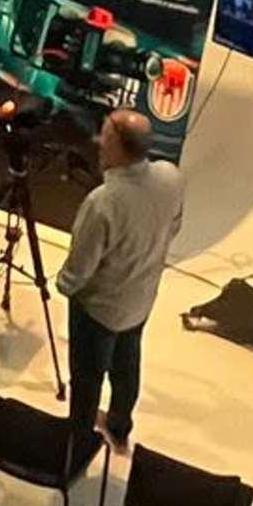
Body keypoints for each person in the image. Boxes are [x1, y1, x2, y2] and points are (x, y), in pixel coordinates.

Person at [58, 107, 184, 453]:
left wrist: (64, 286)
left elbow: (79, 269)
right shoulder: (170, 176)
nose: (99, 143)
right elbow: (174, 225)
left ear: (115, 147)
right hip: (141, 299)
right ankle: (119, 425)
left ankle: (79, 439)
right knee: (127, 365)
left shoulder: (103, 202)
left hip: (98, 308)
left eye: (104, 138)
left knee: (87, 377)